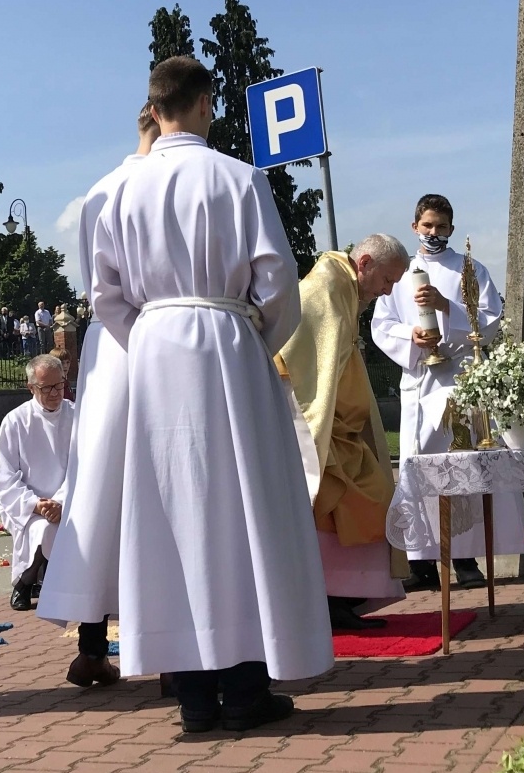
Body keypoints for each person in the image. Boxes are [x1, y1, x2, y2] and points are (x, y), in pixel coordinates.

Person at [91, 56, 328, 734]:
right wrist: (254, 336)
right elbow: (278, 281)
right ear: (203, 103)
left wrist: (149, 335)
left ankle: (193, 697)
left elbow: (104, 294)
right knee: (240, 511)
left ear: (153, 107)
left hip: (156, 349)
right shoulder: (236, 176)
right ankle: (248, 689)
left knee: (170, 519)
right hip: (226, 343)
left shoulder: (121, 191)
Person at [38, 102, 158, 690]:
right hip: (158, 336)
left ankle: (91, 645)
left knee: (99, 489)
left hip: (107, 346)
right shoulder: (167, 180)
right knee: (161, 487)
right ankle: (170, 648)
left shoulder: (98, 191)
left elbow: (95, 281)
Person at [372, 194, 524, 590]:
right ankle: (420, 561)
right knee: (419, 468)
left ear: (452, 229)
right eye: (427, 226)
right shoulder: (400, 273)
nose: (434, 233)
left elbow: (491, 322)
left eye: (441, 227)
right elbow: (381, 324)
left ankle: (465, 556)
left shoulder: (470, 269)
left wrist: (446, 307)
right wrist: (413, 337)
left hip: (460, 381)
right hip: (419, 383)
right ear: (414, 227)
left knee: (462, 465)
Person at [276, 233, 412, 632]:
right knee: (344, 499)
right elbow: (299, 363)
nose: (388, 291)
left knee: (370, 495)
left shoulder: (345, 290)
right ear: (365, 263)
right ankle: (330, 599)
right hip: (320, 425)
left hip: (344, 425)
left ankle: (341, 598)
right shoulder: (323, 290)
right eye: (387, 280)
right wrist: (320, 422)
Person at [0, 355, 74, 612]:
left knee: (58, 526)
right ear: (31, 387)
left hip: (71, 500)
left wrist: (61, 501)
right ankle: (25, 582)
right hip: (27, 506)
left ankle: (36, 580)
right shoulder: (15, 421)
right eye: (46, 387)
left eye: (59, 385)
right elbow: (6, 477)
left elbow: (82, 467)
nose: (55, 393)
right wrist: (36, 504)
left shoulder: (78, 416)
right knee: (43, 529)